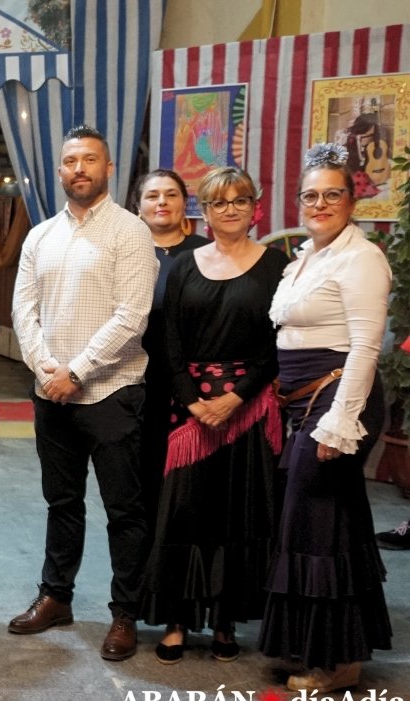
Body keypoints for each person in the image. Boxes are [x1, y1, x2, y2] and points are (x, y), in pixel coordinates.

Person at [8, 125, 157, 661]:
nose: (79, 169)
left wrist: (79, 370)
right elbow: (24, 310)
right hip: (53, 394)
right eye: (70, 160)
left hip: (112, 392)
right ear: (60, 169)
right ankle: (57, 596)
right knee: (61, 503)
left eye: (90, 160)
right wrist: (47, 367)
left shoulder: (130, 232)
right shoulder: (41, 235)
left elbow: (132, 315)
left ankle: (124, 613)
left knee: (124, 510)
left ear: (108, 168)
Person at [141, 167, 288, 665]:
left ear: (254, 206)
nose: (230, 210)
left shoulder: (276, 266)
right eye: (219, 202)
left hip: (246, 412)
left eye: (240, 200)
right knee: (183, 515)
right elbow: (170, 340)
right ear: (203, 209)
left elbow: (276, 344)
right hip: (189, 415)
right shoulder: (183, 265)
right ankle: (179, 621)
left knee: (236, 516)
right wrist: (192, 399)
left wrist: (237, 397)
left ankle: (225, 623)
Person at [261, 142, 393, 692]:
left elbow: (365, 348)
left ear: (351, 199)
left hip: (339, 402)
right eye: (310, 195)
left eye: (331, 194)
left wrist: (340, 425)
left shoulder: (362, 258)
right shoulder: (308, 258)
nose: (320, 203)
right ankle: (324, 646)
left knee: (319, 522)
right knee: (321, 521)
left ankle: (337, 663)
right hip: (306, 402)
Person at [133, 169, 210, 532]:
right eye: (152, 195)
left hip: (195, 385)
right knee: (142, 478)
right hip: (136, 382)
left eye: (171, 194)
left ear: (185, 205)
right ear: (138, 207)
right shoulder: (125, 254)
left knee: (190, 478)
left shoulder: (206, 253)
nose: (161, 202)